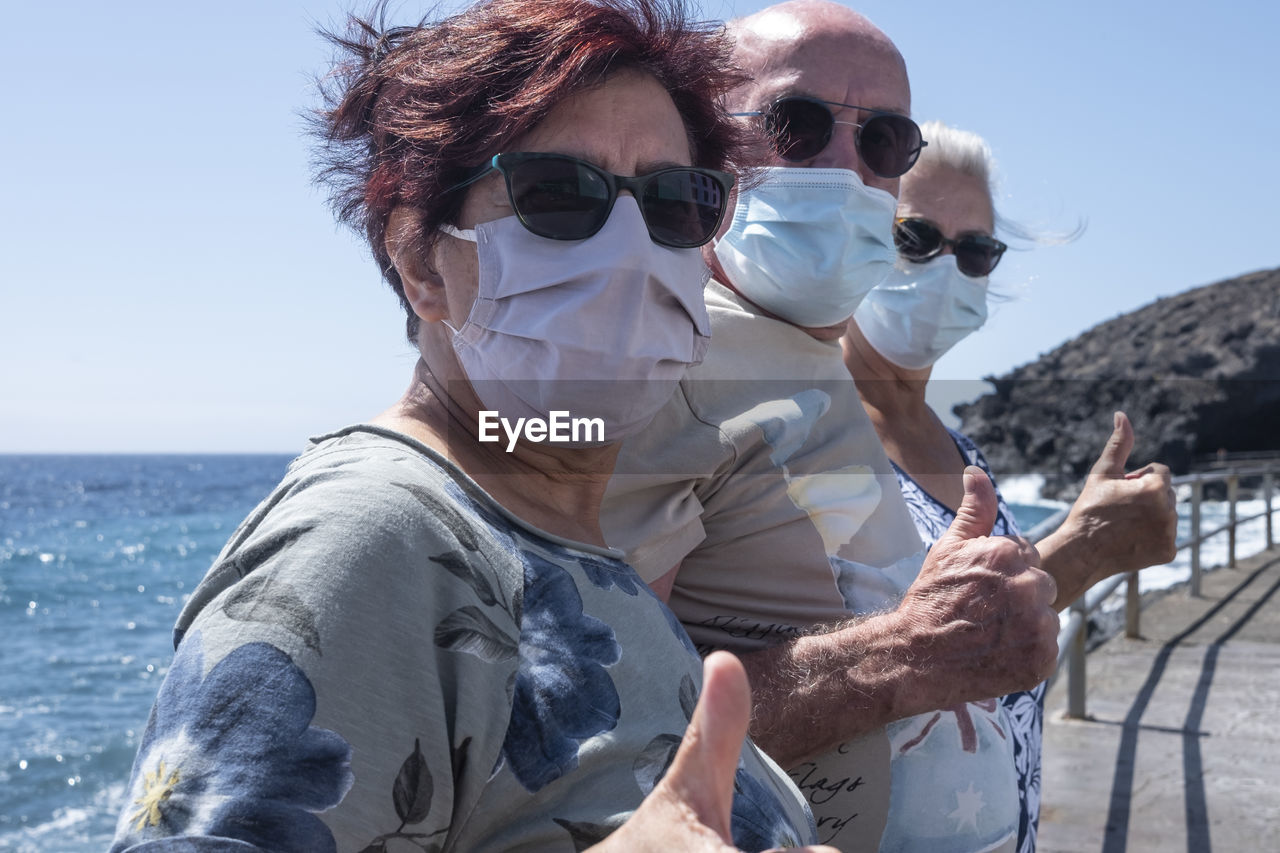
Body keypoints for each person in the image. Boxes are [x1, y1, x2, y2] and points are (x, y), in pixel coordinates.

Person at [108, 2, 832, 851]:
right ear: (421, 261)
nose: (632, 247)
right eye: (558, 192)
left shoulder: (559, 546)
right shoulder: (368, 539)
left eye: (676, 202)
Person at [603, 2, 1059, 850]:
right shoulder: (656, 362)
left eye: (883, 139)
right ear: (704, 140)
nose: (846, 170)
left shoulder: (796, 357)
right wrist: (906, 655)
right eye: (794, 124)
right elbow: (597, 730)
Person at [845, 120, 1179, 852]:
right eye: (917, 238)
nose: (947, 268)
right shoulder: (811, 432)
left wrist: (1087, 538)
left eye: (975, 251)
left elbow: (986, 633)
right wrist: (1084, 546)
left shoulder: (963, 451)